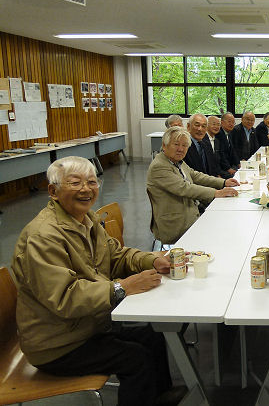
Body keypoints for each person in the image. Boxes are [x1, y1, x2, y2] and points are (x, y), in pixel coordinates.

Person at [11, 156, 183, 406]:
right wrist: (122, 287)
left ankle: (160, 397)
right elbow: (65, 298)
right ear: (53, 191)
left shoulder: (87, 220)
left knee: (152, 335)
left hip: (87, 324)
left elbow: (116, 255)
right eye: (75, 183)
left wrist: (152, 261)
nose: (86, 189)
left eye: (91, 182)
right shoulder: (42, 236)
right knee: (136, 359)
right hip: (57, 343)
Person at [147, 127, 239, 245]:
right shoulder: (159, 166)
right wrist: (216, 193)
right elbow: (184, 188)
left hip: (191, 212)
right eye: (176, 144)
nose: (181, 149)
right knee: (221, 232)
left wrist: (223, 182)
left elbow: (195, 175)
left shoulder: (176, 161)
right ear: (164, 146)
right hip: (176, 223)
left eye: (185, 145)